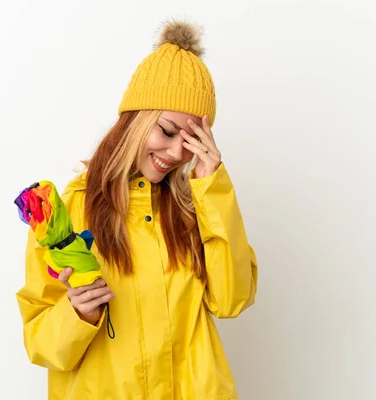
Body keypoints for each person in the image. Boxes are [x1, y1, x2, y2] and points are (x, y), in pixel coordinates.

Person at [16, 19, 258, 400]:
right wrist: (79, 314)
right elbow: (41, 345)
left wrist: (212, 185)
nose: (177, 153)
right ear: (135, 120)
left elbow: (231, 301)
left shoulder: (199, 208)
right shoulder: (69, 212)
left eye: (192, 140)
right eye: (167, 130)